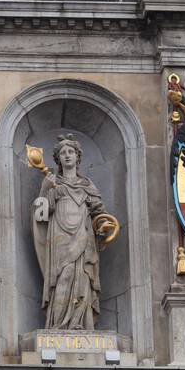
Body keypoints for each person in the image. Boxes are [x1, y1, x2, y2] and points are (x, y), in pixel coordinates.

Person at [32, 135, 115, 332]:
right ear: (58, 159)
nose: (67, 155)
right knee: (64, 275)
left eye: (71, 152)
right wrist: (44, 190)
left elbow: (99, 212)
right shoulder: (53, 184)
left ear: (78, 157)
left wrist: (104, 226)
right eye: (63, 153)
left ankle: (80, 323)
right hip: (60, 238)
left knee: (82, 277)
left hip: (84, 236)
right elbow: (40, 214)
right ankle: (58, 324)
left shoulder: (88, 186)